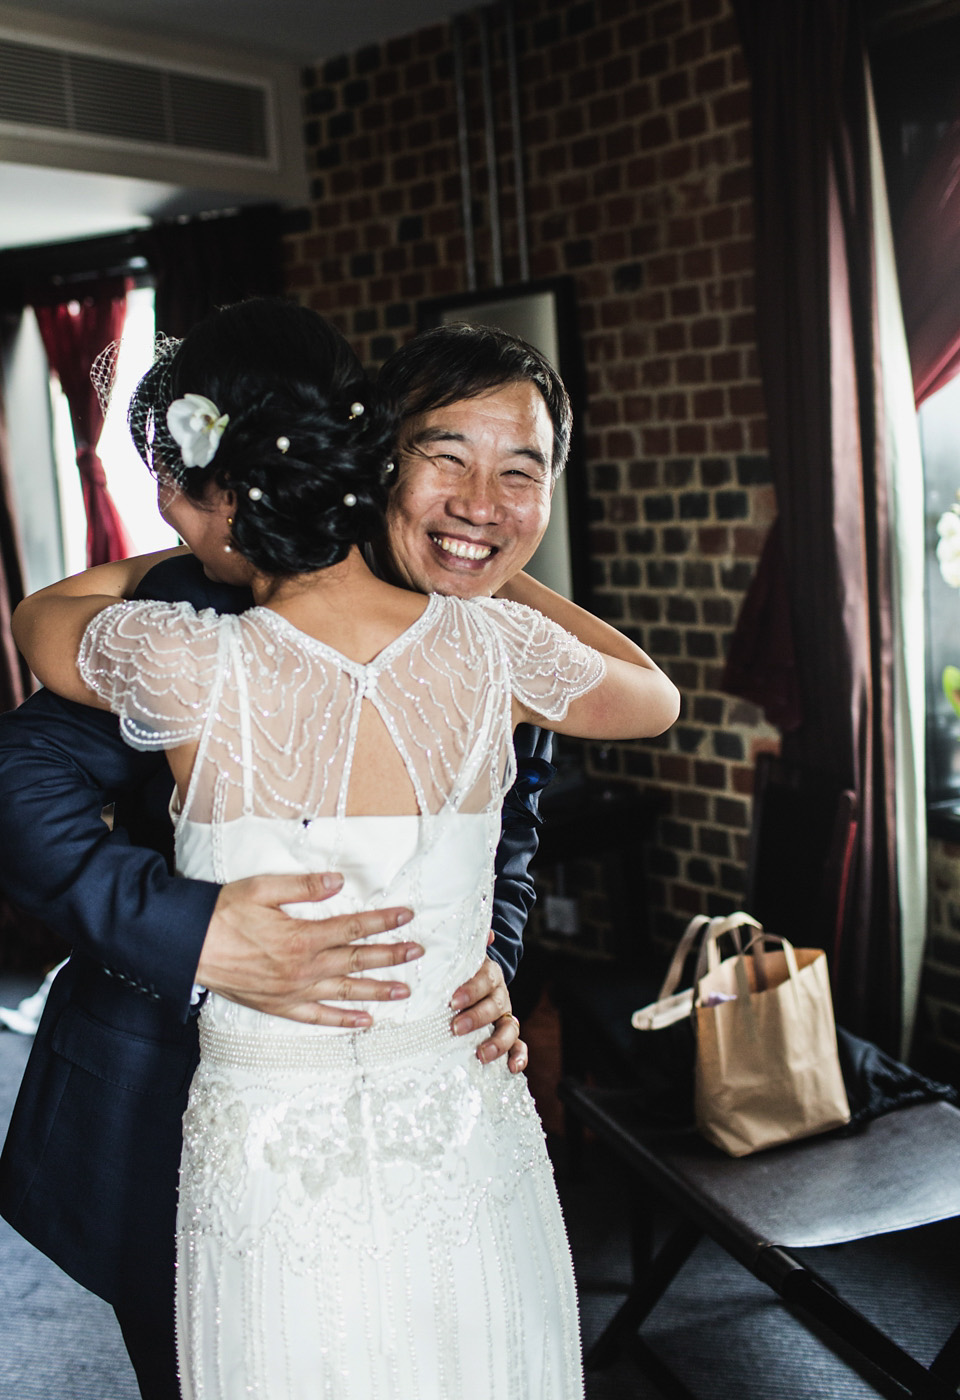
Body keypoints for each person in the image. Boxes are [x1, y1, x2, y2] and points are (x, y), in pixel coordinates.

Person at [12, 298, 679, 1399]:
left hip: (308, 1125)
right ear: (371, 461)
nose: (481, 505)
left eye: (521, 474)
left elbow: (41, 619)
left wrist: (471, 569)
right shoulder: (502, 649)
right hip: (358, 1119)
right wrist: (495, 588)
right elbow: (652, 697)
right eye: (446, 460)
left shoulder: (176, 655)